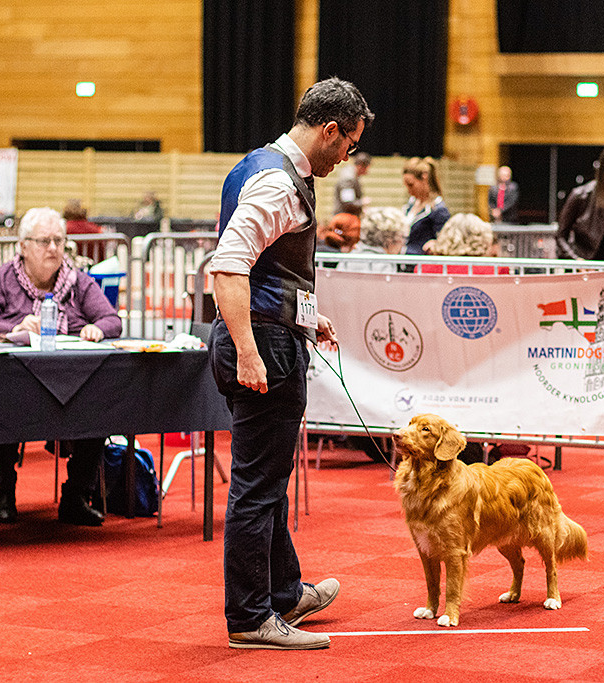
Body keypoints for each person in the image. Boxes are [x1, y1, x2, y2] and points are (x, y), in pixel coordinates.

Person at [208, 76, 373, 651]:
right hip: (261, 350)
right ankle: (251, 619)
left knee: (269, 482)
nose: (347, 156)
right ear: (331, 131)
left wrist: (307, 318)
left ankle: (284, 593)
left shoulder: (260, 165)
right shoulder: (279, 182)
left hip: (274, 336)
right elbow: (228, 268)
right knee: (256, 489)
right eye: (349, 143)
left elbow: (265, 271)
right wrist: (251, 351)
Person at [0, 207, 122, 526]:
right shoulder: (1, 280)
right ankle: (5, 493)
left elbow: (111, 319)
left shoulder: (78, 282)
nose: (53, 248)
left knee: (101, 406)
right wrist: (13, 327)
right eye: (43, 241)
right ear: (23, 246)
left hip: (74, 384)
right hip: (14, 384)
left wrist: (98, 329)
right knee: (0, 404)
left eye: (58, 240)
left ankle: (76, 495)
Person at [402, 156, 450, 255]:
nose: (408, 190)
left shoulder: (438, 209)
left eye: (411, 185)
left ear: (424, 178)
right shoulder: (411, 204)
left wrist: (436, 244)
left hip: (421, 263)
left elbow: (446, 242)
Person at [339, 207, 407, 273]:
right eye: (402, 237)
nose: (403, 242)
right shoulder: (385, 264)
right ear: (390, 239)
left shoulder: (347, 259)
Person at [333, 152, 370, 217]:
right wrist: (362, 202)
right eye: (367, 167)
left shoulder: (353, 176)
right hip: (344, 218)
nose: (368, 171)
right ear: (361, 166)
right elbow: (348, 202)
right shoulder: (348, 178)